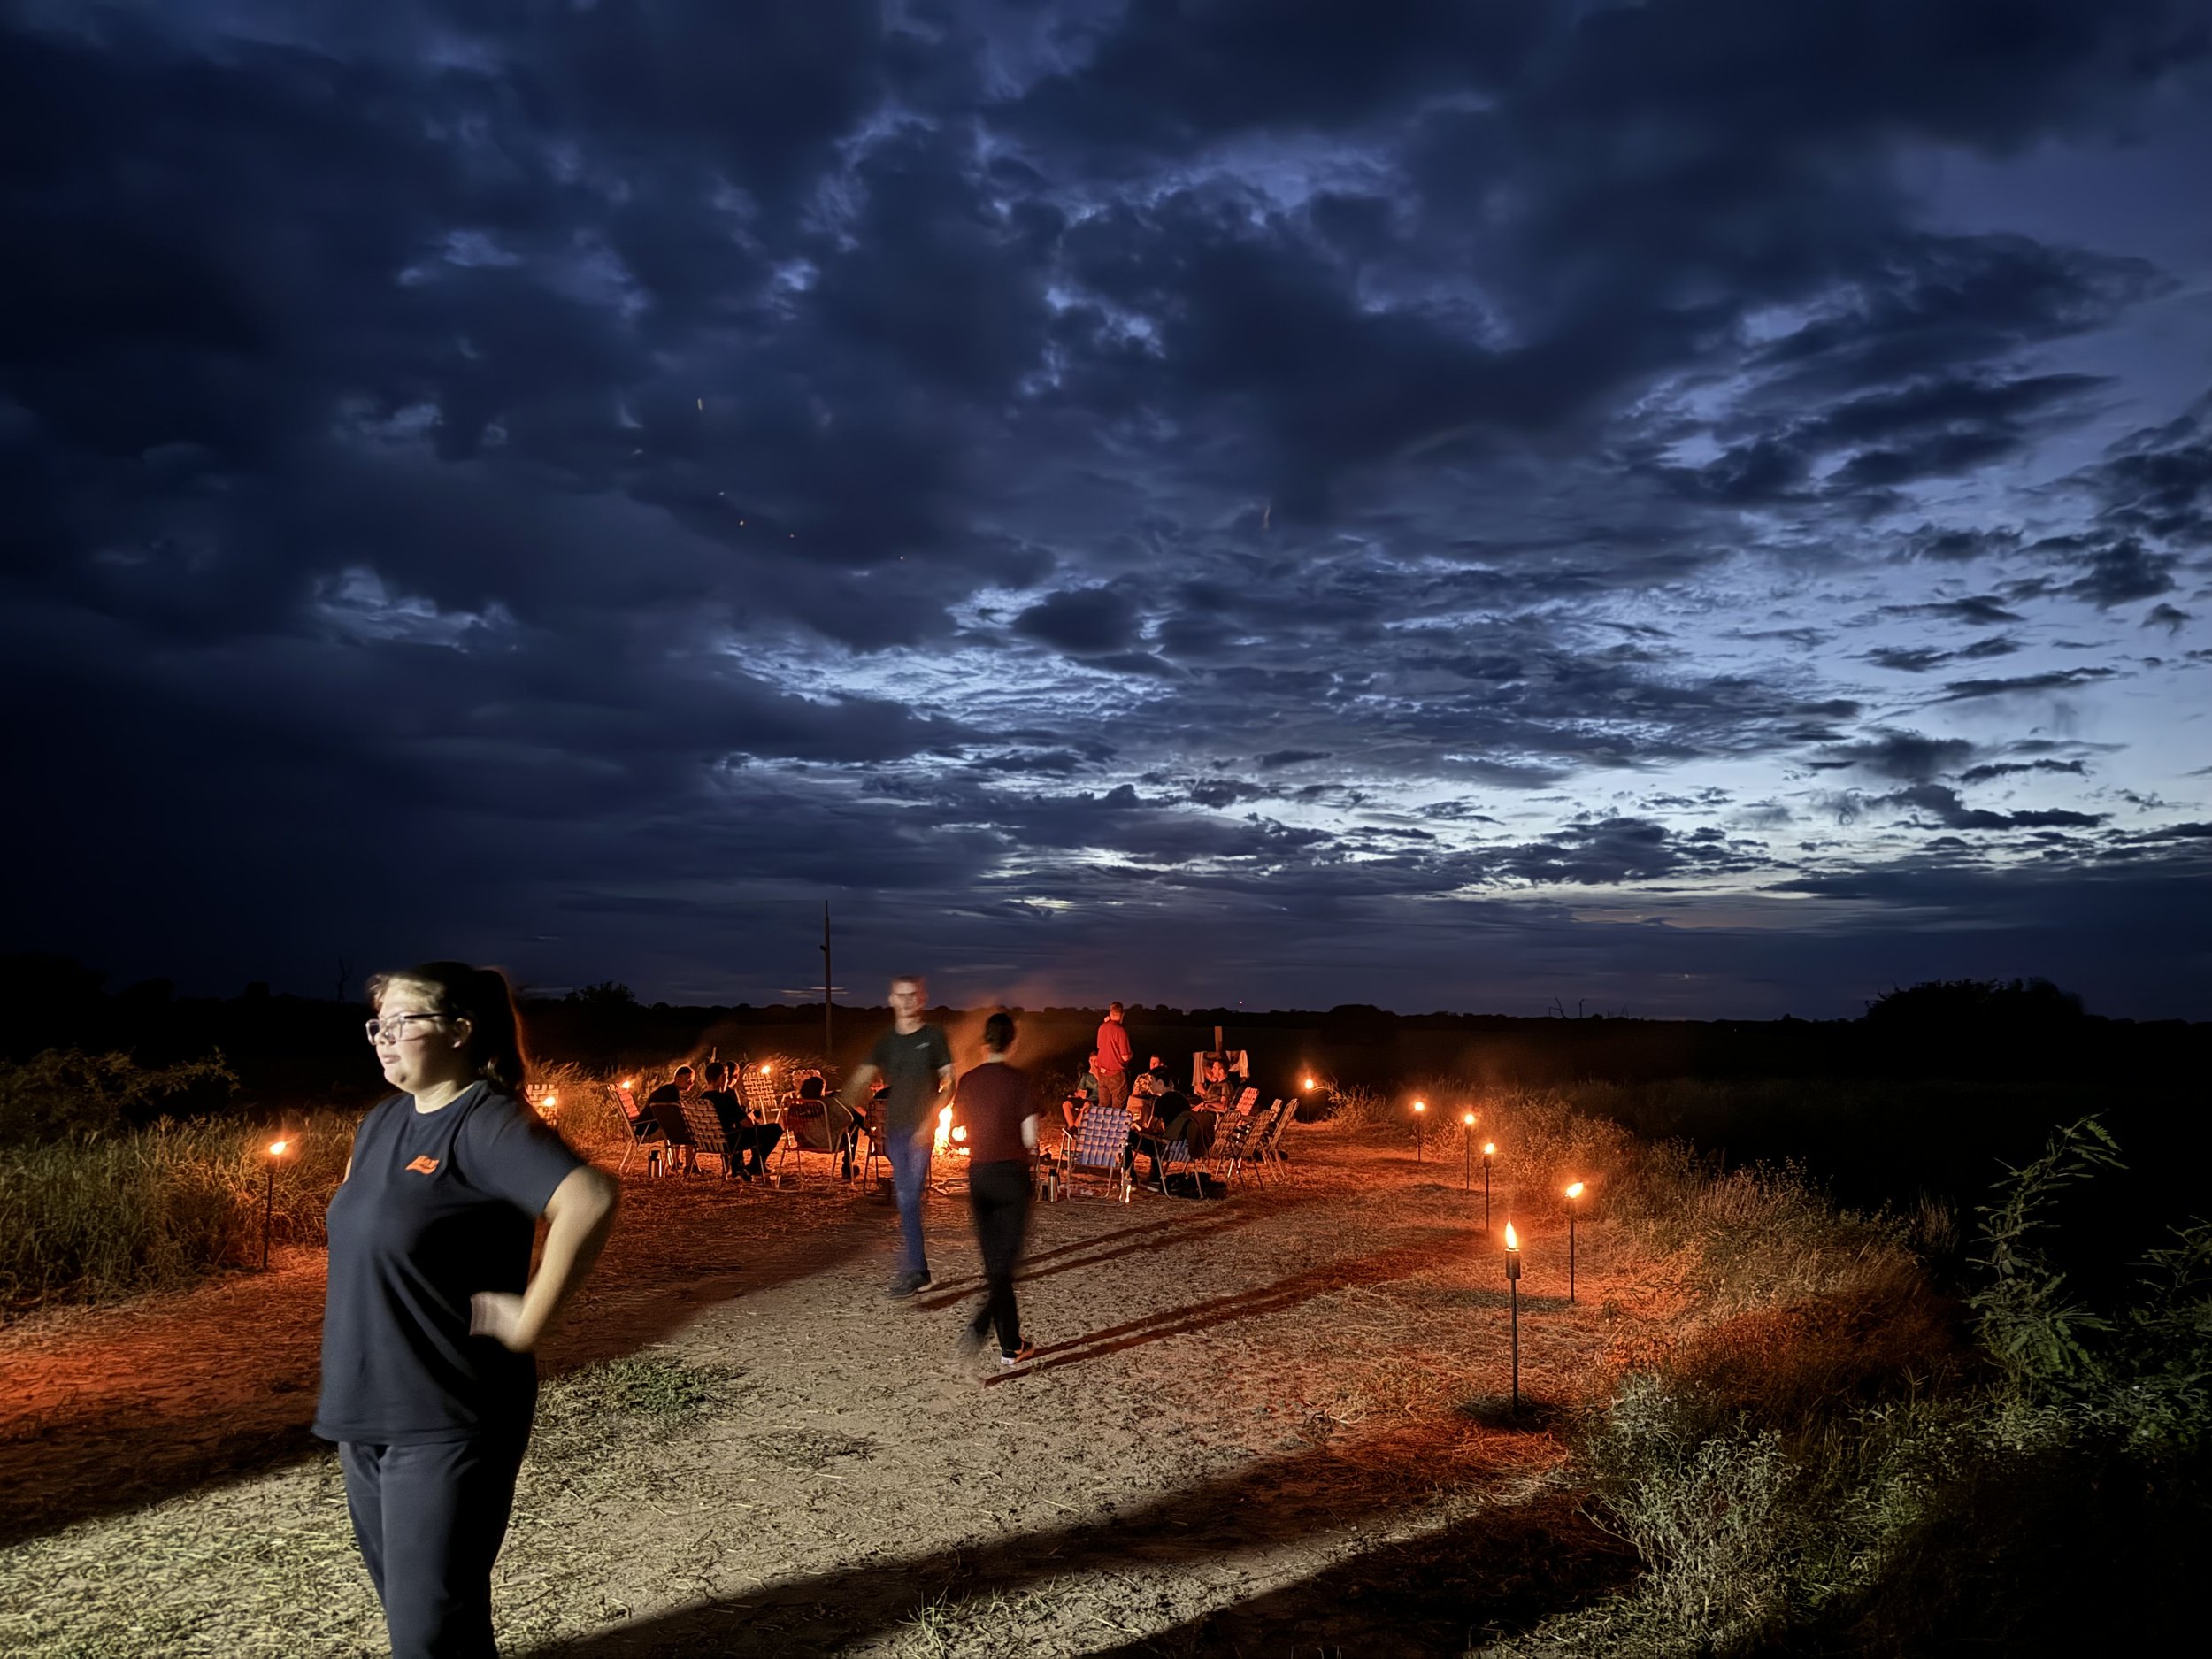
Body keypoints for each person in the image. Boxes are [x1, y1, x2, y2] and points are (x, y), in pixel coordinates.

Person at [317, 962, 618, 1659]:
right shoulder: (382, 1123)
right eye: (377, 1025)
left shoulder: (484, 1122)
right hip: (365, 1410)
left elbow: (589, 1198)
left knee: (425, 1633)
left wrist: (532, 1316)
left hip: (447, 1412)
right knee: (429, 1618)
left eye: (403, 1022)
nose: (384, 1039)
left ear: (460, 1030)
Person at [841, 974, 953, 1297]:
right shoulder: (887, 1041)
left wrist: (931, 1118)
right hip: (895, 1132)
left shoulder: (933, 1037)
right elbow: (861, 1078)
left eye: (912, 994)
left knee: (906, 1197)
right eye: (899, 995)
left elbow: (951, 1082)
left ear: (922, 998)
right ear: (891, 999)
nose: (906, 1000)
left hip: (920, 1130)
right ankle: (920, 1271)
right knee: (905, 1200)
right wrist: (843, 1100)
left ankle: (915, 1271)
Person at [952, 1010, 1040, 1369]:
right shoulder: (1021, 1082)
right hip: (1012, 1177)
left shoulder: (969, 1080)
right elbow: (1031, 1138)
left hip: (980, 1176)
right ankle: (979, 1326)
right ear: (1012, 1041)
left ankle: (1011, 1346)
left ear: (984, 1041)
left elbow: (959, 1131)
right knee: (1007, 1265)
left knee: (995, 1266)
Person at [701, 1060, 781, 1179]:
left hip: (706, 1142)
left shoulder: (699, 1100)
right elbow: (748, 1124)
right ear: (723, 1077)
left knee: (741, 1129)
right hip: (729, 1142)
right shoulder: (726, 1099)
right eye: (727, 1076)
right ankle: (755, 1166)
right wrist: (752, 1117)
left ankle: (741, 1169)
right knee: (775, 1129)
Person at [645, 1065, 700, 1173]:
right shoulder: (672, 1093)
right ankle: (689, 1166)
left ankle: (679, 1163)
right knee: (686, 1131)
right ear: (677, 1078)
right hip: (649, 1129)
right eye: (688, 1081)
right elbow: (677, 1117)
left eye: (692, 1082)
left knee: (679, 1128)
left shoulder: (668, 1090)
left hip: (647, 1126)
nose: (691, 1084)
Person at [1091, 1001, 1133, 1129]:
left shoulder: (1102, 1027)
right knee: (1118, 1109)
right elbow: (1125, 1056)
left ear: (1110, 1013)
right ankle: (1114, 1138)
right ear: (1122, 1014)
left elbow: (1099, 1046)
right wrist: (1131, 1055)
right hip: (1116, 1074)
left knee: (1103, 1106)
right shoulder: (1120, 1031)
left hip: (1102, 1073)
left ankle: (1099, 1134)